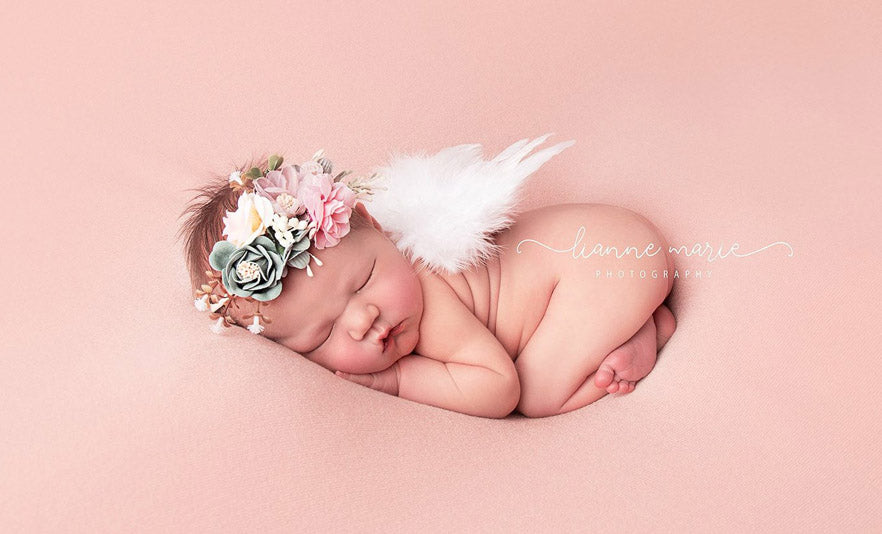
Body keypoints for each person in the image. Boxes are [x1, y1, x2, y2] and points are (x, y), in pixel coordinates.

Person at [180, 144, 676, 419]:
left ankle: (642, 328)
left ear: (375, 227)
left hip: (603, 260)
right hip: (610, 255)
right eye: (322, 334)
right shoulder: (383, 282)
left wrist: (399, 379)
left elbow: (496, 389)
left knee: (535, 394)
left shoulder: (428, 294)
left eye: (364, 281)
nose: (362, 318)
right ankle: (631, 316)